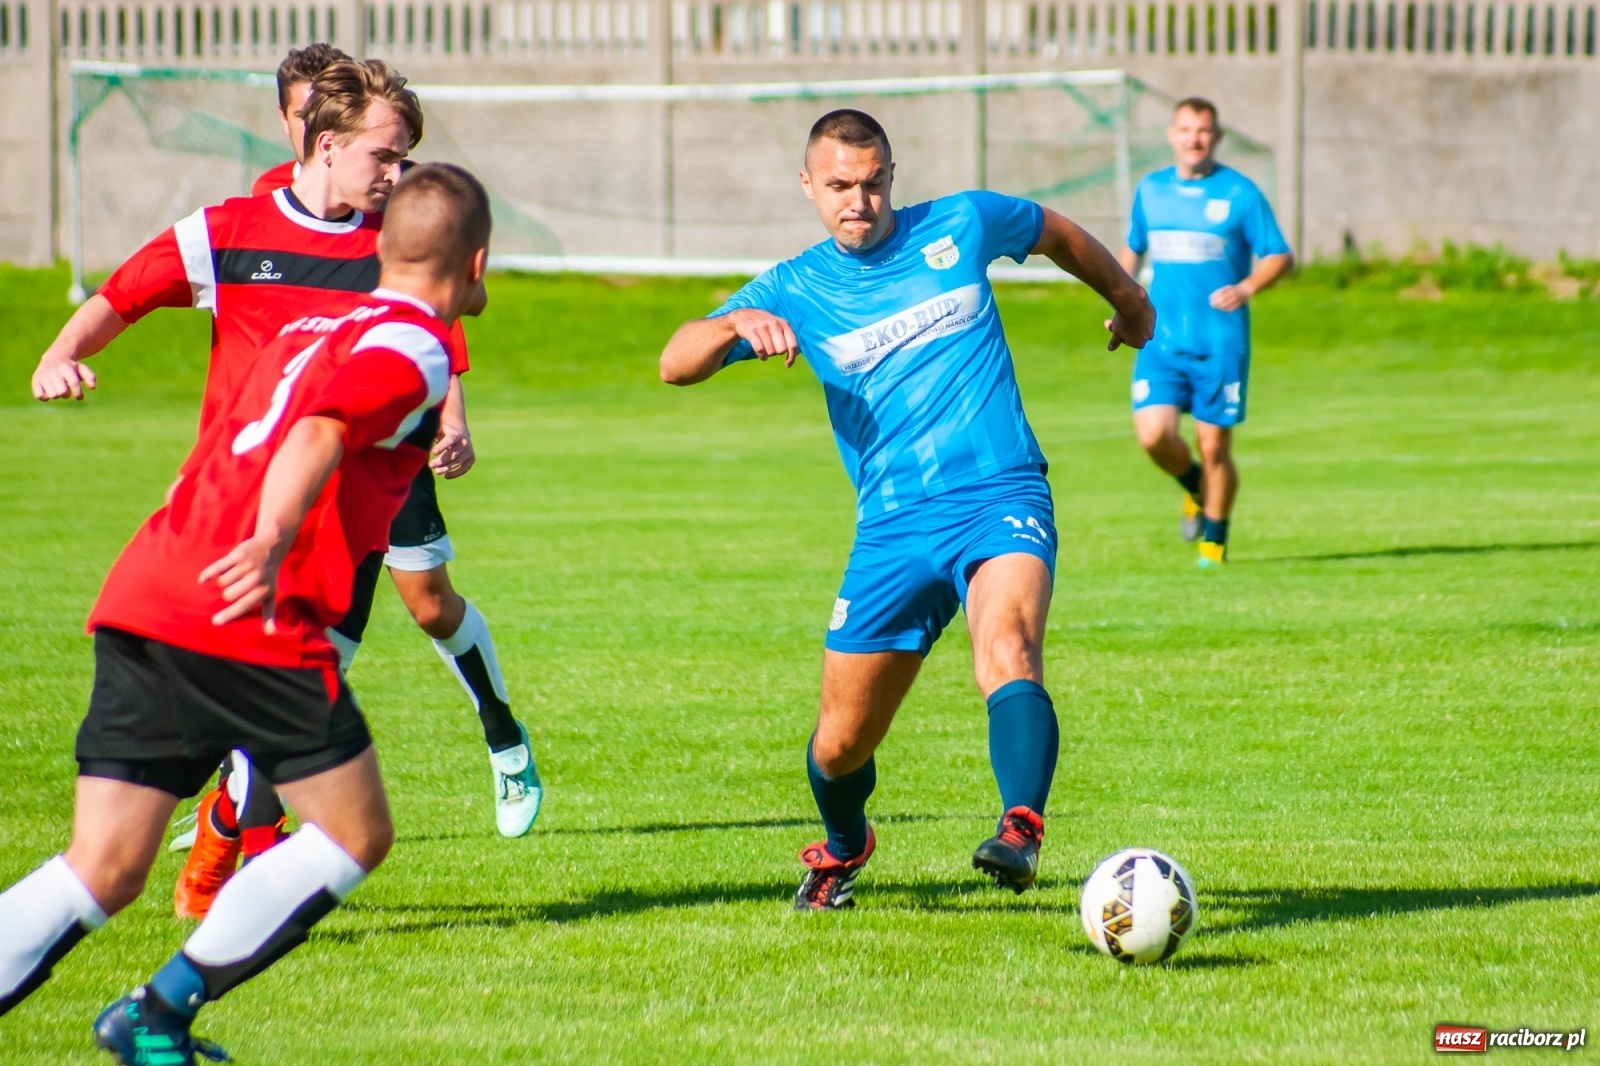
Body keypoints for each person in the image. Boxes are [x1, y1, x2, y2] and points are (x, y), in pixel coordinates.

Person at [0, 163, 491, 1066]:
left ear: (380, 246)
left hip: (150, 586)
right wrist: (270, 540)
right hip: (246, 607)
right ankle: (160, 1012)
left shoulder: (311, 324)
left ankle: (153, 1021)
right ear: (477, 266)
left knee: (100, 868)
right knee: (354, 833)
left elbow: (247, 430)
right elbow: (317, 431)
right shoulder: (415, 345)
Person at [30, 59, 540, 924]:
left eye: (407, 159)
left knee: (399, 629)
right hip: (245, 498)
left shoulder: (395, 240)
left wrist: (452, 410)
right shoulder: (235, 228)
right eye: (387, 155)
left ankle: (242, 847)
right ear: (325, 142)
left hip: (366, 479)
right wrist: (59, 351)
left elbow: (438, 322)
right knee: (279, 754)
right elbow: (126, 292)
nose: (398, 174)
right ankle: (224, 878)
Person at [659, 109, 1154, 910]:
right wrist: (728, 325)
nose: (859, 201)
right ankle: (847, 846)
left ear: (893, 175)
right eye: (840, 186)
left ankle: (1021, 828)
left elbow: (1057, 233)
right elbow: (674, 363)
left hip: (1002, 490)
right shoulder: (794, 287)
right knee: (840, 742)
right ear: (809, 186)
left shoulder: (961, 222)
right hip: (893, 530)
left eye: (874, 182)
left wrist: (1130, 302)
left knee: (1009, 646)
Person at [1116, 96, 1293, 567]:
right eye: (1186, 129)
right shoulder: (1150, 190)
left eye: (1204, 131)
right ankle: (1196, 486)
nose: (1195, 139)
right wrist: (1118, 298)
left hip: (1220, 343)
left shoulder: (1241, 193)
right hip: (1160, 338)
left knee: (1215, 445)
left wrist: (1249, 285)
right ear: (1172, 135)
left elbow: (1279, 254)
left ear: (1217, 138)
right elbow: (1131, 250)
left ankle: (1213, 542)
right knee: (1154, 436)